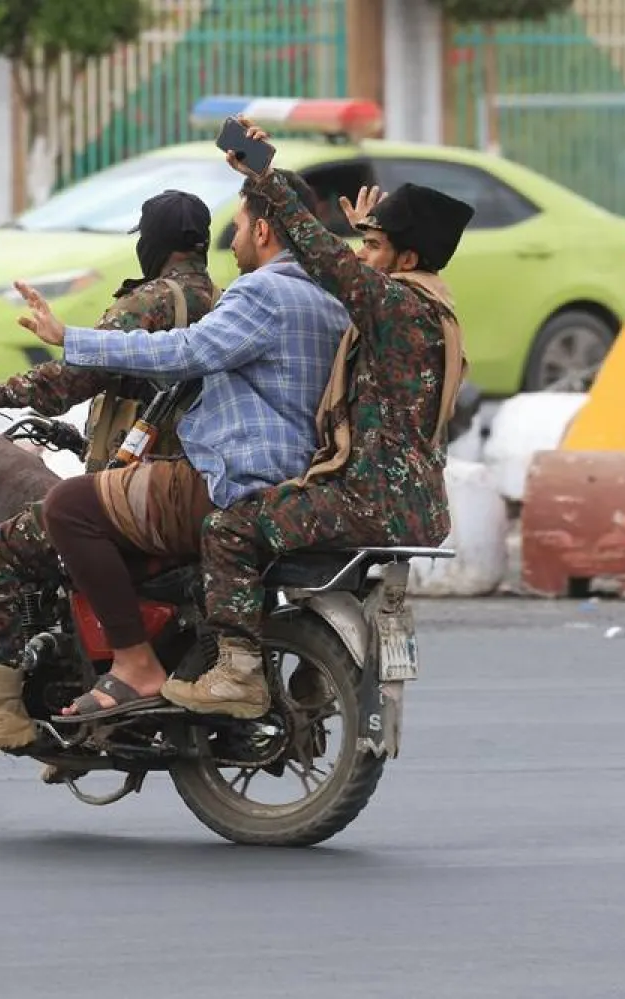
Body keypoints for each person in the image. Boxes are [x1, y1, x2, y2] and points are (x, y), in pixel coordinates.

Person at [0, 169, 351, 764]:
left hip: (218, 476)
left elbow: (166, 358)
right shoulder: (323, 296)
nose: (234, 239)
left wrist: (18, 373)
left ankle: (21, 703)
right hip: (281, 478)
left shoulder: (231, 296)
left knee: (51, 517)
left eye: (240, 225)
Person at [160, 121, 475, 719]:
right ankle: (314, 673)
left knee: (230, 529)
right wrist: (369, 235)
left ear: (407, 259)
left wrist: (265, 177)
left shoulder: (394, 306)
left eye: (376, 249)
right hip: (420, 505)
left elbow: (325, 259)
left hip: (370, 499)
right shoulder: (435, 311)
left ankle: (239, 673)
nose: (361, 255)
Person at [0, 189, 221, 474]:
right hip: (200, 469)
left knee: (39, 516)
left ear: (156, 242)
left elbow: (77, 376)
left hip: (140, 478)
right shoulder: (223, 299)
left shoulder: (151, 300)